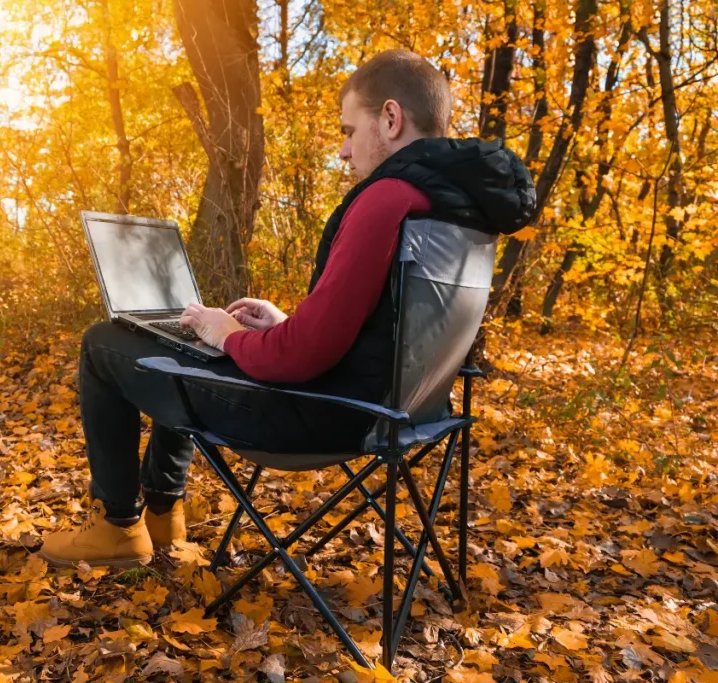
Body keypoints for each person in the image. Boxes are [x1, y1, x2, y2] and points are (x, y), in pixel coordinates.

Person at [38, 49, 534, 568]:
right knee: (183, 341)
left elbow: (297, 361)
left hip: (320, 417)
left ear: (390, 119)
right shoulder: (463, 212)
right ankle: (163, 516)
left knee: (102, 342)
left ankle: (117, 528)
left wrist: (229, 335)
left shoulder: (388, 198)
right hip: (401, 411)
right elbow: (388, 330)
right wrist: (281, 324)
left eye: (349, 130)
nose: (344, 151)